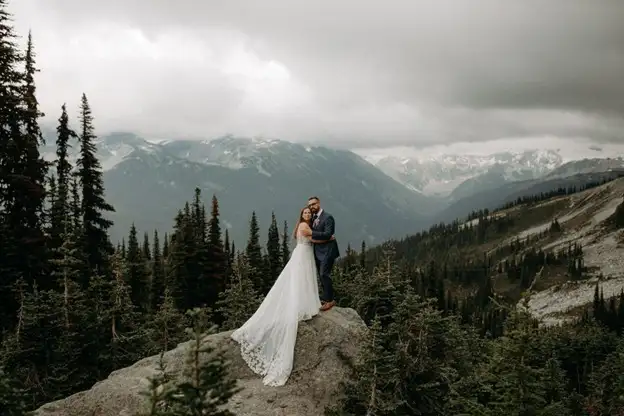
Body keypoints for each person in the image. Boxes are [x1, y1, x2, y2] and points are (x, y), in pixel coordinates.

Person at [230, 206, 334, 386]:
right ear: (302, 215)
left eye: (309, 213)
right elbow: (314, 238)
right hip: (303, 255)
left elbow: (304, 238)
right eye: (305, 213)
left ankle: (305, 304)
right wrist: (329, 237)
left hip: (303, 254)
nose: (307, 215)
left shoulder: (301, 226)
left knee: (304, 281)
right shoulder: (304, 226)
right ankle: (300, 305)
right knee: (301, 281)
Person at [302, 196, 340, 311]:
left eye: (313, 204)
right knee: (321, 275)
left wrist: (312, 233)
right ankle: (325, 297)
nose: (312, 207)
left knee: (324, 274)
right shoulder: (313, 218)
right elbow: (323, 235)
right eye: (310, 205)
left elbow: (328, 233)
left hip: (328, 250)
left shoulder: (328, 217)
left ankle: (330, 300)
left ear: (319, 203)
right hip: (318, 251)